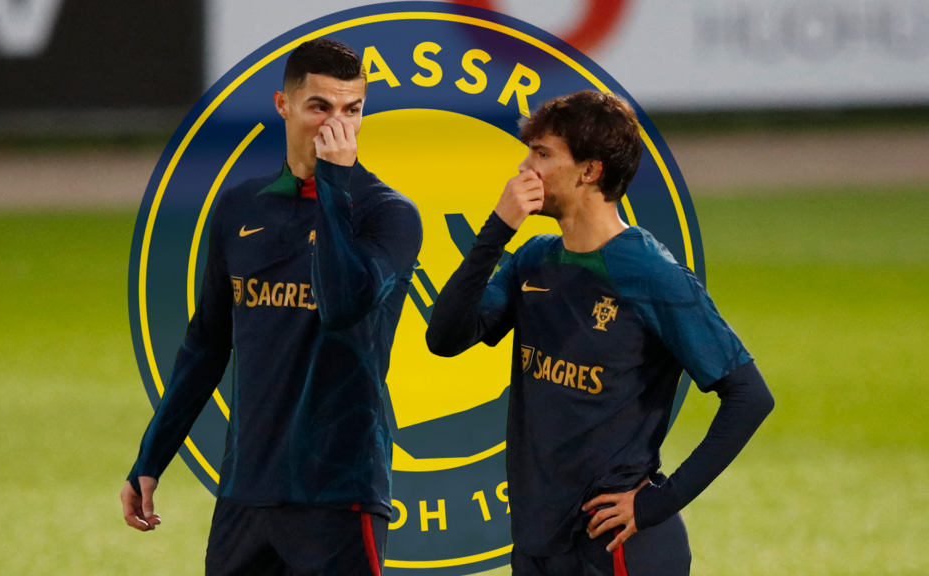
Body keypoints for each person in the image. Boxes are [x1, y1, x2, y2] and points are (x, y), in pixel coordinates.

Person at [425, 90, 774, 575]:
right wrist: (497, 230)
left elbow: (750, 397)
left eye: (542, 154)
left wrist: (657, 503)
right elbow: (444, 338)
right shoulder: (533, 260)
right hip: (535, 542)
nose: (525, 168)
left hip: (613, 548)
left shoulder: (650, 273)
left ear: (590, 170)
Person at [120, 38, 422, 576]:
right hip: (246, 491)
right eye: (320, 107)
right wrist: (153, 454)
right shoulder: (240, 207)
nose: (337, 126)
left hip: (340, 494)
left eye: (352, 110)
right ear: (283, 105)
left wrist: (333, 183)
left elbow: (342, 304)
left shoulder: (389, 216)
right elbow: (206, 345)